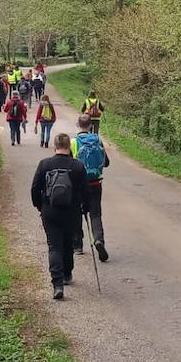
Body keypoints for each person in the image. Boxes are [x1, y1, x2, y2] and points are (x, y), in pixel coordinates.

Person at [31, 132, 90, 300]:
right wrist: (85, 208)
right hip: (72, 213)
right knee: (68, 243)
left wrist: (39, 206)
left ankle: (57, 284)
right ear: (69, 147)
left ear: (54, 146)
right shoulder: (78, 166)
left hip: (50, 212)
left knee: (54, 246)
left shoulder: (44, 164)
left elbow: (35, 189)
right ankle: (67, 274)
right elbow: (86, 192)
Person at [72, 114, 111, 261]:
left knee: (76, 213)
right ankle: (99, 240)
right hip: (96, 184)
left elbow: (69, 162)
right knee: (95, 214)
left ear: (78, 125)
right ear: (90, 126)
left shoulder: (74, 142)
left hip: (78, 185)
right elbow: (106, 163)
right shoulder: (98, 141)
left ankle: (78, 245)